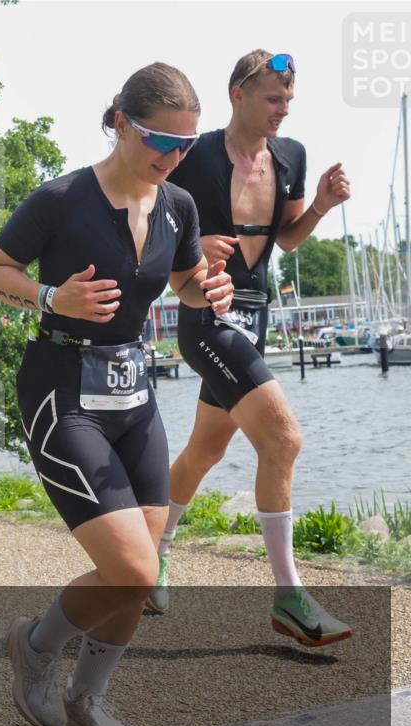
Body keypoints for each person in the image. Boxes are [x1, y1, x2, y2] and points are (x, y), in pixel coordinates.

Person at [0, 63, 233, 726]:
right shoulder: (61, 199)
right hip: (62, 390)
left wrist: (207, 290)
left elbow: (181, 281)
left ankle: (86, 700)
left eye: (186, 144)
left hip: (133, 390)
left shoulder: (178, 206)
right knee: (137, 570)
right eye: (159, 139)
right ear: (120, 122)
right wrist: (47, 297)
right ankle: (35, 645)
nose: (172, 156)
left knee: (138, 573)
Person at [146, 51, 352, 647]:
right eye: (272, 98)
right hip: (205, 314)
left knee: (205, 449)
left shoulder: (291, 155)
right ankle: (289, 595)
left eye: (288, 100)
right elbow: (149, 233)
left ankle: (154, 550)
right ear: (238, 93)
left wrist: (320, 205)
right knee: (284, 438)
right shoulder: (193, 156)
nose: (282, 110)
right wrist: (190, 246)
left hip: (255, 314)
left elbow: (285, 237)